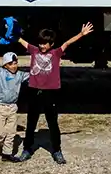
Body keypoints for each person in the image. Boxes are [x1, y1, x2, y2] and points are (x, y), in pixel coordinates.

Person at [14, 23, 93, 164]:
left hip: (51, 92)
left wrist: (81, 34)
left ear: (52, 44)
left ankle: (57, 150)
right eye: (40, 43)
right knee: (31, 122)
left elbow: (67, 43)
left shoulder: (56, 53)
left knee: (53, 123)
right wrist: (12, 31)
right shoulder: (33, 50)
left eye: (45, 44)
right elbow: (20, 40)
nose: (42, 46)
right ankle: (27, 149)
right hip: (33, 90)